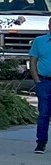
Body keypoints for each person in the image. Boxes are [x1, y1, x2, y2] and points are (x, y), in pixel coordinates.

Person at [34, 25, 51, 154]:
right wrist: (36, 79)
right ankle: (41, 142)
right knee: (44, 113)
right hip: (44, 81)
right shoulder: (39, 41)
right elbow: (33, 60)